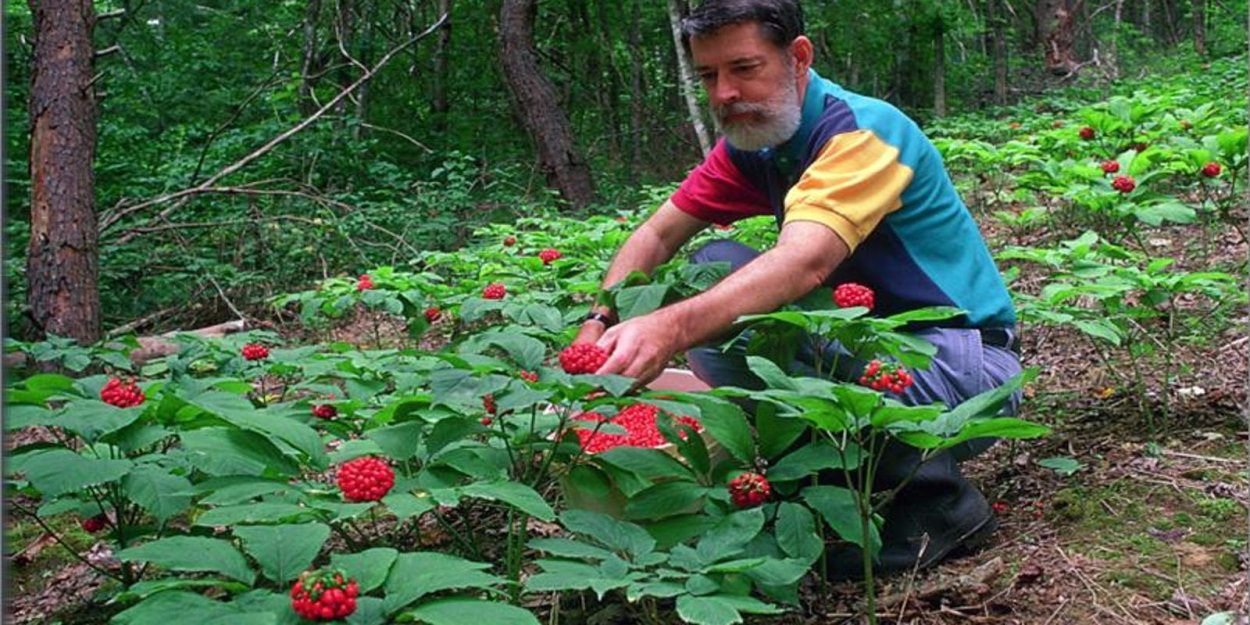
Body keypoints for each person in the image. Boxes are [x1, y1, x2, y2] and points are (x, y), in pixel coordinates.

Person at [573, 0, 1022, 578]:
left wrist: (670, 327)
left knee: (736, 309)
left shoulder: (861, 133)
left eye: (744, 68)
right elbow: (657, 234)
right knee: (716, 265)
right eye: (708, 75)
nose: (724, 92)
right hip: (873, 347)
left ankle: (933, 505)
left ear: (799, 57)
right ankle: (832, 480)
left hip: (963, 369)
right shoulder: (758, 141)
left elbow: (803, 263)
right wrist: (601, 321)